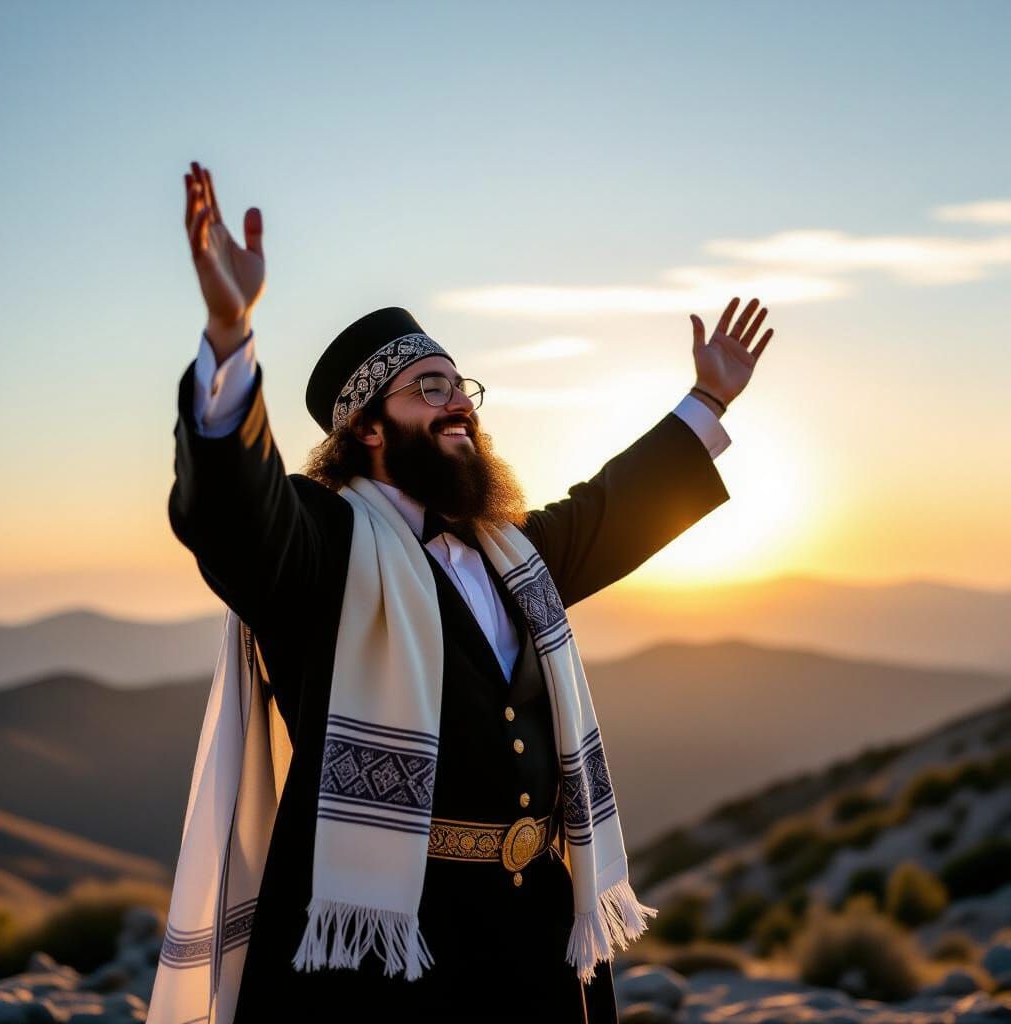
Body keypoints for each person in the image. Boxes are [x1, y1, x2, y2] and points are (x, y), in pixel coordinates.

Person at [157, 161, 773, 1024]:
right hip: (386, 968)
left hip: (534, 949)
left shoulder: (511, 550)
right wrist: (229, 338)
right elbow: (233, 511)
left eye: (463, 388)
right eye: (430, 389)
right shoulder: (321, 547)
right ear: (366, 428)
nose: (462, 407)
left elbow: (612, 511)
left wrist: (707, 400)